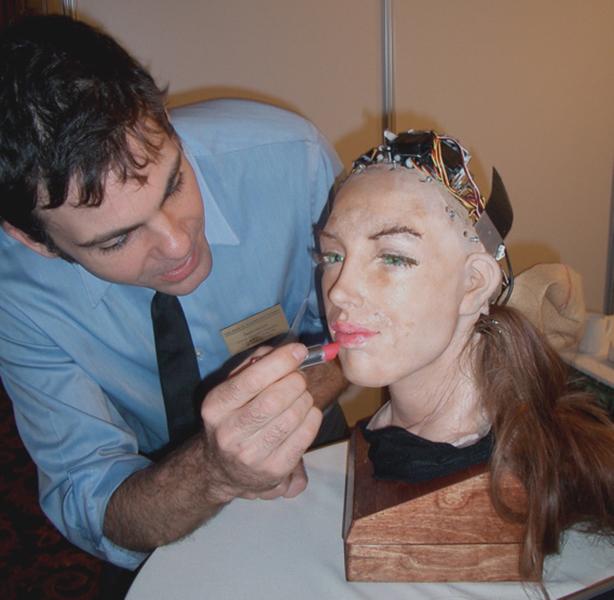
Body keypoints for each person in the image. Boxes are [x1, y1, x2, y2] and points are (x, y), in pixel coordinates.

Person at [0, 13, 348, 575]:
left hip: (312, 423)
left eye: (175, 182)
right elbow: (89, 495)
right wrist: (216, 472)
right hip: (158, 481)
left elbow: (356, 324)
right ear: (34, 240)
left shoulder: (290, 158)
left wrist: (286, 407)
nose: (178, 242)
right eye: (116, 239)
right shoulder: (13, 293)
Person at [316, 130, 614, 579]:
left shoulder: (496, 469)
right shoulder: (383, 433)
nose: (340, 291)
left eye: (393, 257)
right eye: (331, 256)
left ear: (474, 283)